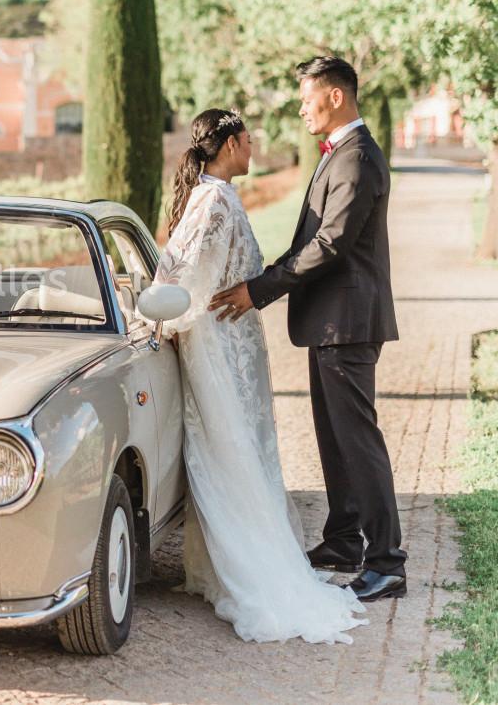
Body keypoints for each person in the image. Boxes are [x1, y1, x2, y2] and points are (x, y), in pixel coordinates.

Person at [153, 107, 367, 644]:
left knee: (241, 449)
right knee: (231, 452)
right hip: (218, 348)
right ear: (228, 145)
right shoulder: (216, 201)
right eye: (248, 140)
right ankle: (245, 566)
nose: (253, 148)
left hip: (232, 343)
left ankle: (240, 560)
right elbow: (191, 278)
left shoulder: (217, 196)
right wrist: (161, 321)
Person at [209, 56, 407, 603]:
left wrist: (260, 288)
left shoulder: (357, 158)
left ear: (336, 97)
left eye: (307, 97)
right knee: (334, 436)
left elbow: (329, 245)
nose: (301, 107)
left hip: (347, 322)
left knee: (358, 440)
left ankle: (387, 561)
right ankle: (344, 541)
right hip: (330, 321)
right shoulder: (339, 155)